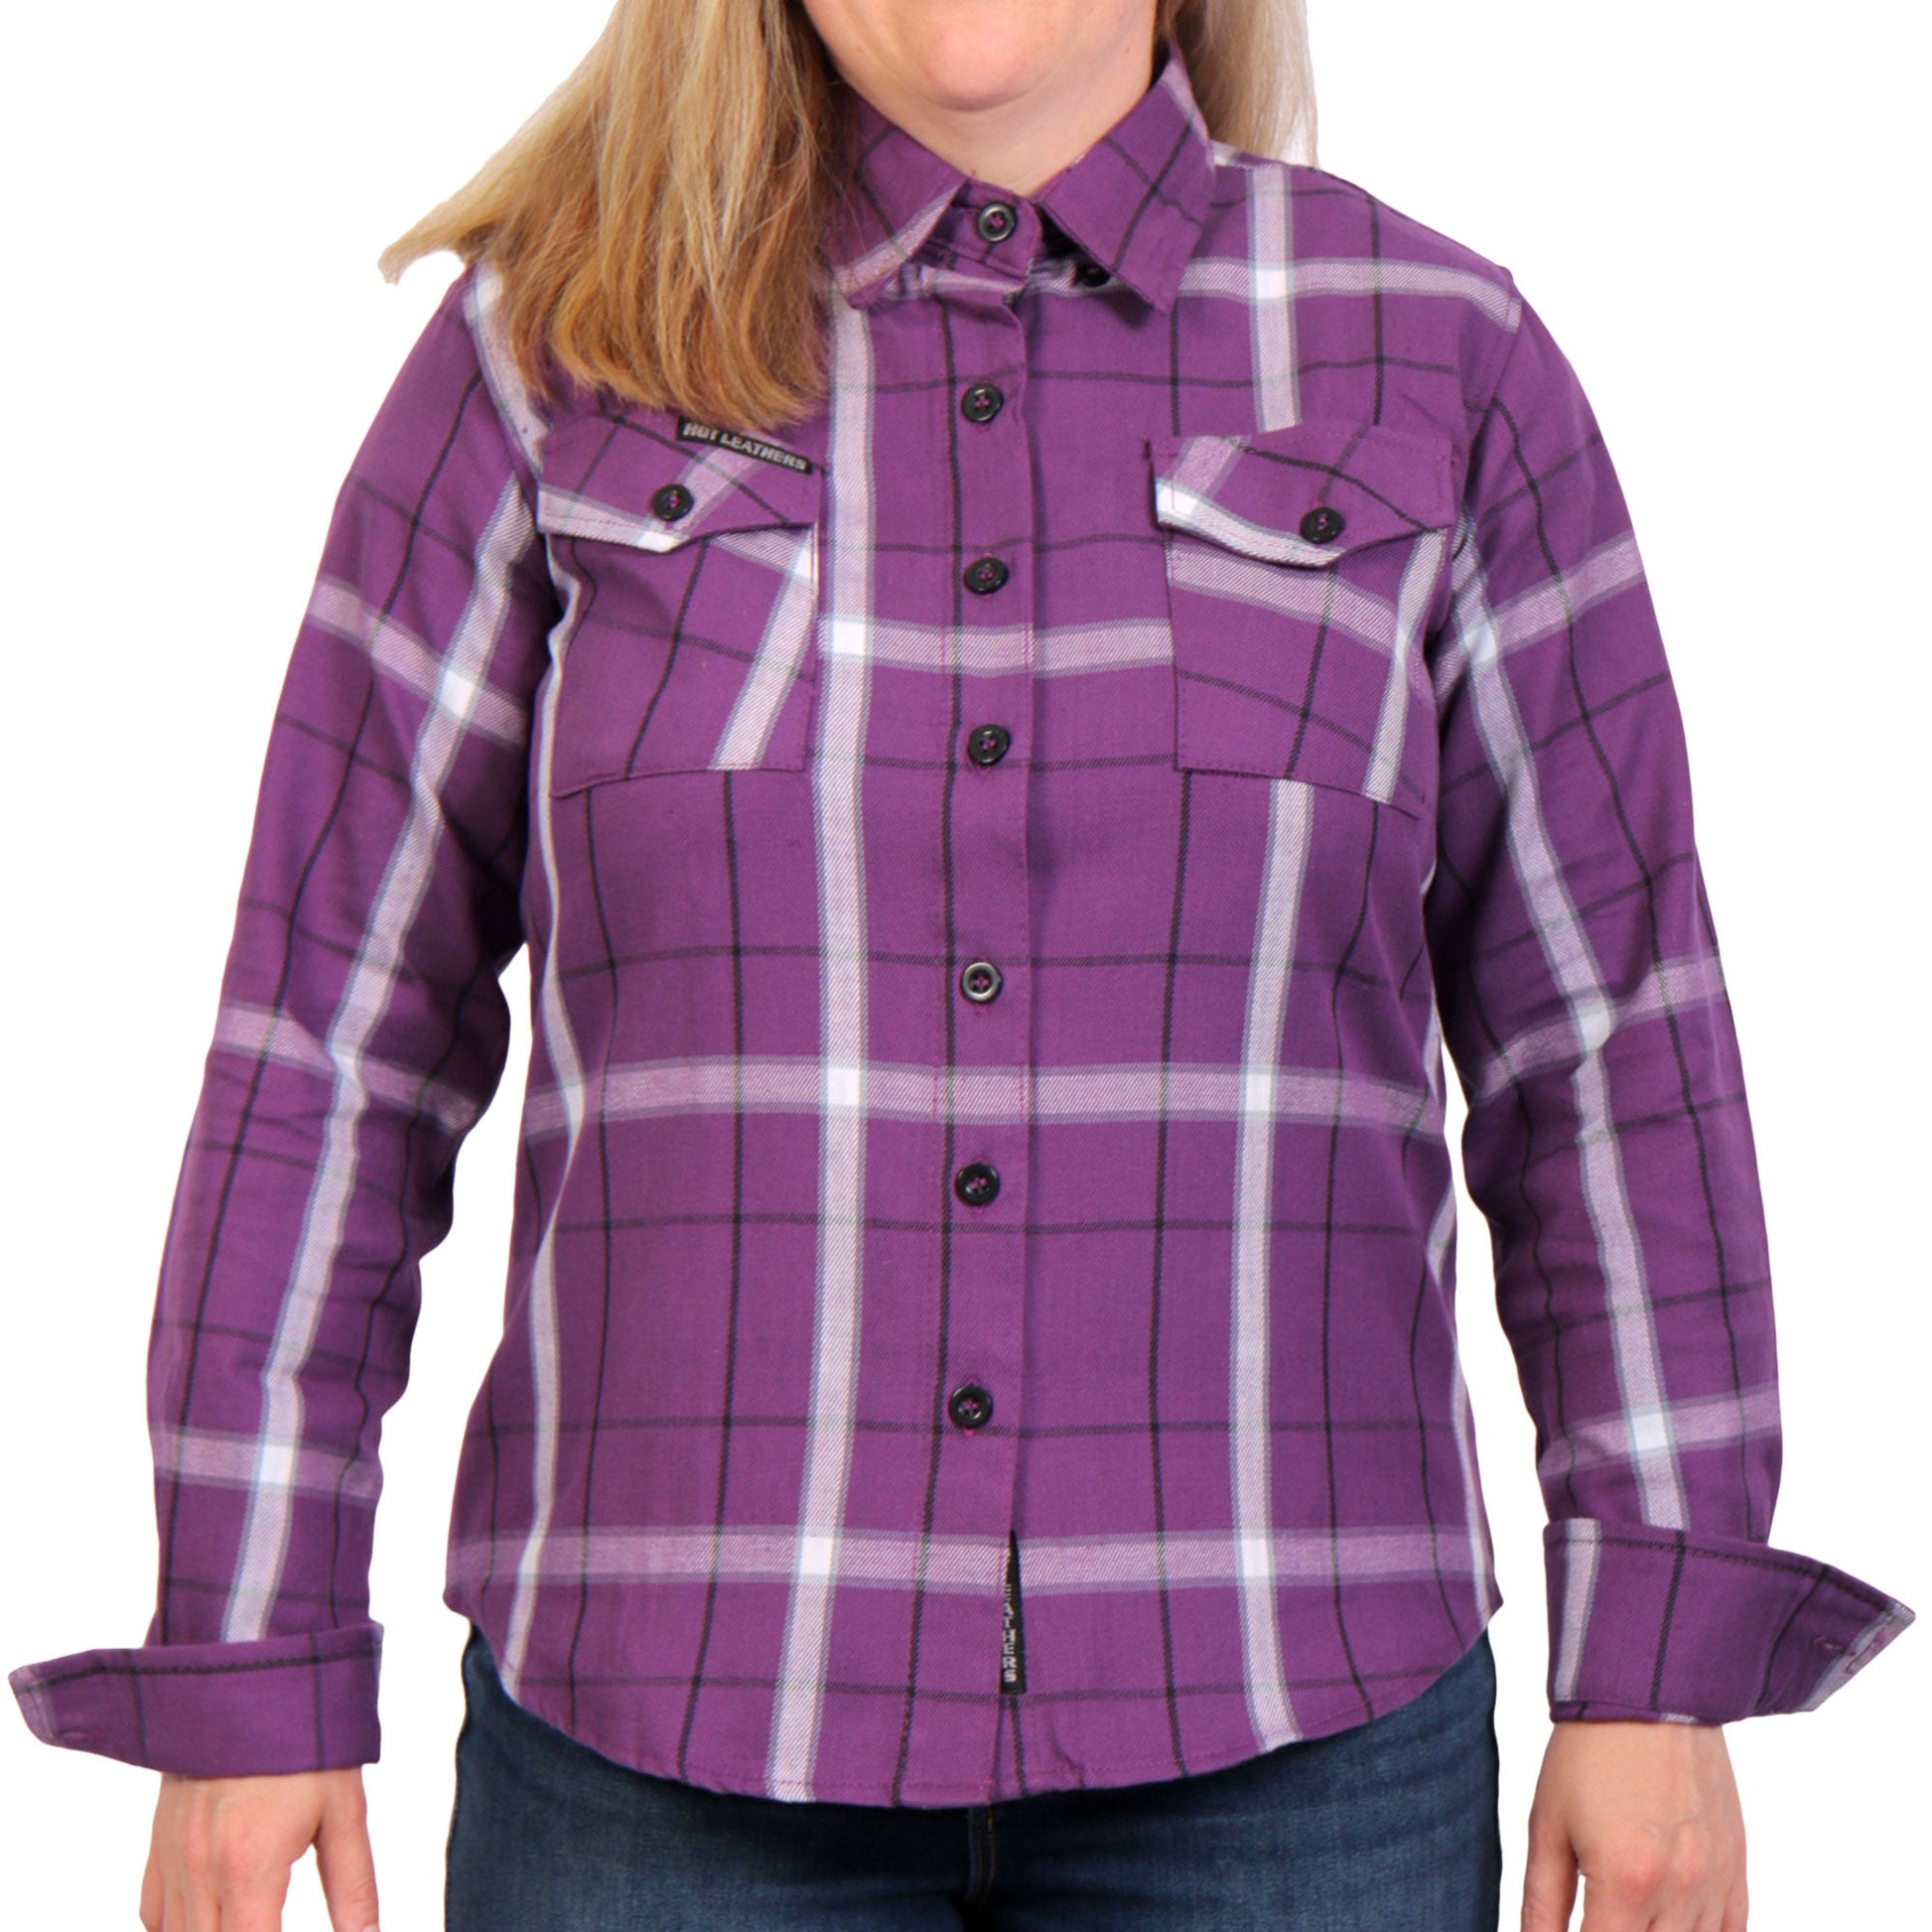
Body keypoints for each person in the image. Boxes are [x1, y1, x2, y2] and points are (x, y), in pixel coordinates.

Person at [7, 1, 1916, 1927]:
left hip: (1294, 1741)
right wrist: (246, 1650)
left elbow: (1605, 1036)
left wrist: (1657, 1656)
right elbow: (334, 1034)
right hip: (660, 1751)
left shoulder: (1438, 355)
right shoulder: (547, 352)